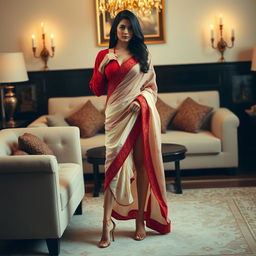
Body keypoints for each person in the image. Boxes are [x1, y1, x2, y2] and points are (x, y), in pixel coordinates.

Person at [89, 10, 171, 248]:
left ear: (135, 30)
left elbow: (152, 88)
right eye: (122, 27)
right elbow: (96, 89)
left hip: (138, 114)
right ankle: (106, 223)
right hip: (115, 117)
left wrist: (141, 100)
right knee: (112, 168)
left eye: (130, 28)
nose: (126, 31)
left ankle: (140, 220)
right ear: (115, 28)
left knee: (142, 164)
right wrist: (103, 68)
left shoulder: (142, 53)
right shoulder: (104, 55)